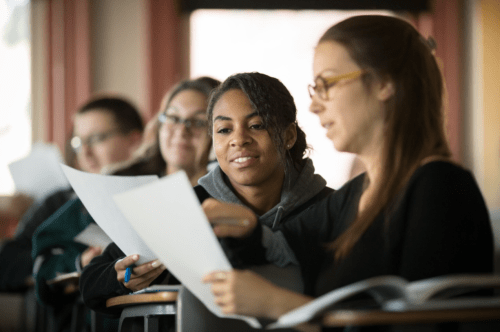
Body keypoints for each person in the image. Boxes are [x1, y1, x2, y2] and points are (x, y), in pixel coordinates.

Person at [201, 15, 494, 330]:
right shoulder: (351, 197)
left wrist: (277, 304)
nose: (314, 106)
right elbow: (277, 247)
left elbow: (422, 327)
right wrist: (246, 228)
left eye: (326, 84)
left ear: (383, 83)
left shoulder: (440, 188)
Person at [79, 72, 333, 321]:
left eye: (256, 125)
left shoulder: (332, 207)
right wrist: (123, 277)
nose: (239, 140)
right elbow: (91, 281)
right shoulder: (188, 206)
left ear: (288, 136)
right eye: (224, 129)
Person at [0, 96, 144, 293]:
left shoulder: (151, 195)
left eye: (97, 139)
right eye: (79, 142)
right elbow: (8, 263)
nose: (85, 152)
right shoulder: (59, 202)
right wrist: (74, 262)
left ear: (134, 141)